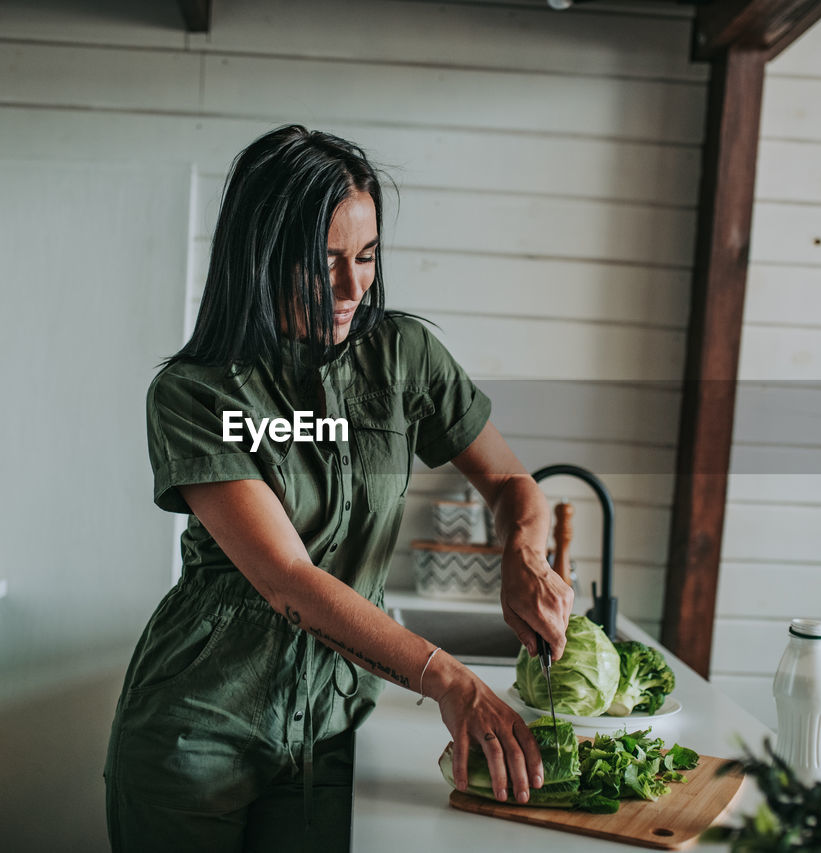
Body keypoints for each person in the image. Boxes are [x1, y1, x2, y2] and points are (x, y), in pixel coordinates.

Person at [104, 124, 574, 852]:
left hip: (335, 727)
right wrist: (450, 680)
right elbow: (289, 581)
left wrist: (524, 554)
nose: (355, 289)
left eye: (367, 257)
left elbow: (513, 482)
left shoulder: (405, 356)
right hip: (199, 726)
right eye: (324, 265)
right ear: (261, 260)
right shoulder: (194, 393)